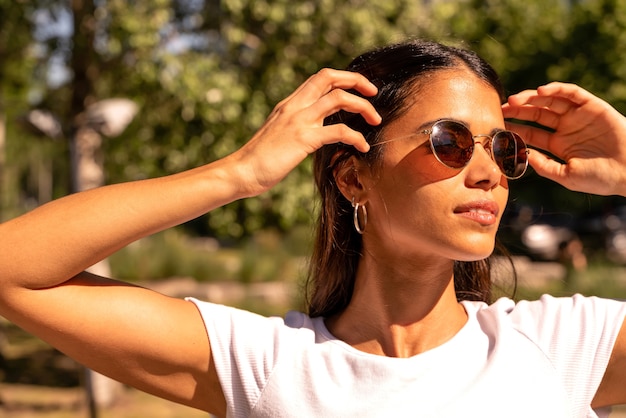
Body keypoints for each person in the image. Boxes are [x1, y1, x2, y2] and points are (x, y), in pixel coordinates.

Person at [1, 39, 626, 417]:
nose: (490, 172)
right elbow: (15, 271)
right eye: (450, 142)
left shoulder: (562, 346)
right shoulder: (267, 366)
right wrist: (238, 174)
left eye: (502, 148)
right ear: (353, 178)